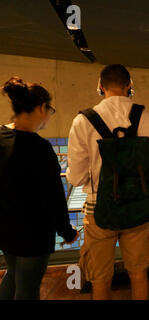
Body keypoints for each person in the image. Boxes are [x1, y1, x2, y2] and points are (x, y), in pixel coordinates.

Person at [67, 64, 149, 300]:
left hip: (99, 209)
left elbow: (77, 177)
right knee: (139, 273)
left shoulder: (83, 121)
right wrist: (147, 199)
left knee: (100, 278)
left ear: (100, 86)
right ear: (129, 85)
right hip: (137, 207)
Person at [0, 77, 79, 300]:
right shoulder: (40, 149)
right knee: (27, 290)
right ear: (42, 107)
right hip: (33, 235)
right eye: (50, 110)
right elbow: (54, 198)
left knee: (14, 275)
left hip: (6, 231)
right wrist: (67, 232)